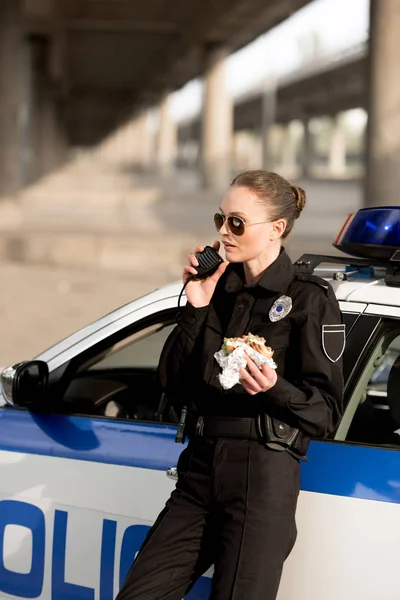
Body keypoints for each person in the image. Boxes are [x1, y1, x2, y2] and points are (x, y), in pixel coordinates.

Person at [116, 170, 344, 600]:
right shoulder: (216, 288)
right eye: (219, 218)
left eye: (237, 222)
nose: (223, 232)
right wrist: (196, 305)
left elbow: (324, 413)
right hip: (200, 469)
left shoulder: (310, 298)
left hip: (262, 474)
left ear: (277, 228)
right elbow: (170, 384)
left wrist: (273, 387)